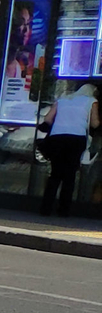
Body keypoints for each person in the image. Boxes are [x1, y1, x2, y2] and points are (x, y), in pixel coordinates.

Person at [38, 79, 98, 217]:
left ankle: (45, 208)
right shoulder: (91, 100)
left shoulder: (63, 99)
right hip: (76, 138)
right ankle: (63, 210)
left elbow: (48, 119)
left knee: (55, 174)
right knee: (69, 175)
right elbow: (94, 123)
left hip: (56, 138)